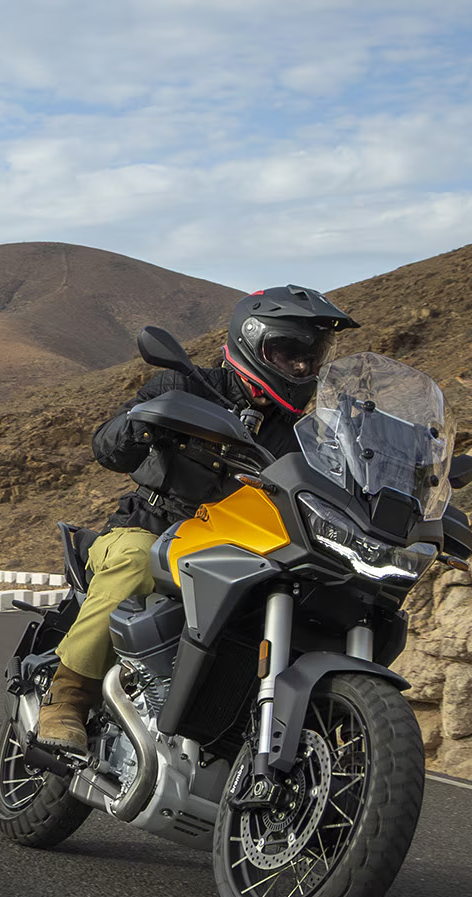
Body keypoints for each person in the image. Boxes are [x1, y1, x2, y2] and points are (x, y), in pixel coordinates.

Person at [34, 286, 360, 751]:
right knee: (135, 561)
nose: (303, 367)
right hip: (152, 527)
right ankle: (68, 697)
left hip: (240, 549)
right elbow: (107, 449)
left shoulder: (303, 435)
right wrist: (142, 422)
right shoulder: (182, 385)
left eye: (311, 357)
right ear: (254, 343)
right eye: (290, 352)